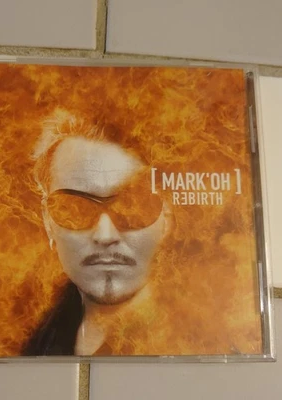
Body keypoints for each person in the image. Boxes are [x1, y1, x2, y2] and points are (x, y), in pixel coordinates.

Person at [23, 110, 169, 356]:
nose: (105, 235)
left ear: (167, 216)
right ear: (48, 223)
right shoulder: (38, 343)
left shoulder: (196, 337)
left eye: (131, 205)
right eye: (76, 208)